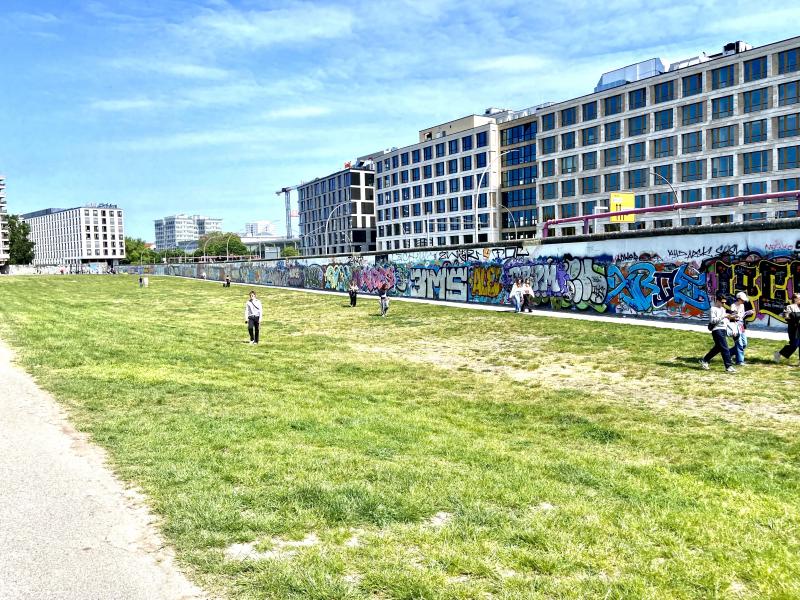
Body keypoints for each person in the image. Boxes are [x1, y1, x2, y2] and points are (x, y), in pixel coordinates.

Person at [700, 293, 737, 373]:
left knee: (718, 348)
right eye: (722, 302)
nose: (724, 304)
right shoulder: (713, 309)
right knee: (725, 348)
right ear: (717, 301)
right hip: (717, 330)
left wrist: (732, 328)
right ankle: (728, 366)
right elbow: (713, 321)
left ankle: (704, 360)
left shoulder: (723, 309)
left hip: (723, 330)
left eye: (724, 302)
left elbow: (726, 322)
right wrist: (723, 316)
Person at [774, 292, 800, 364]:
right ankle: (778, 354)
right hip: (794, 329)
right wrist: (793, 316)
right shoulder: (789, 307)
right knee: (794, 345)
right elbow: (786, 317)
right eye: (799, 298)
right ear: (795, 299)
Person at [729, 291, 754, 366]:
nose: (744, 301)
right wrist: (745, 313)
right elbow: (734, 317)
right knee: (739, 344)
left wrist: (747, 313)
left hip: (741, 325)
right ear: (738, 299)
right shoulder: (733, 306)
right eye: (742, 300)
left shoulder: (742, 306)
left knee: (744, 344)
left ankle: (728, 353)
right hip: (735, 325)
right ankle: (740, 361)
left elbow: (741, 316)